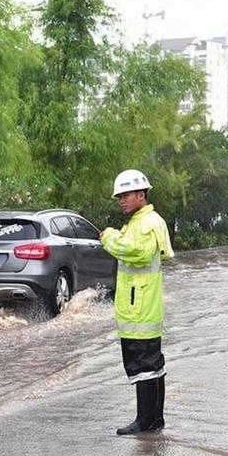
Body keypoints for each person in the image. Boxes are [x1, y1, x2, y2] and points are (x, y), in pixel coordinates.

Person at [100, 169, 174, 435]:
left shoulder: (145, 223)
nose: (121, 200)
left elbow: (137, 252)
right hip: (143, 305)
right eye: (119, 196)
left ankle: (144, 421)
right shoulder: (141, 221)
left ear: (141, 194)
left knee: (142, 365)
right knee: (153, 365)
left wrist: (109, 237)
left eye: (126, 195)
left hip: (139, 307)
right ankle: (155, 419)